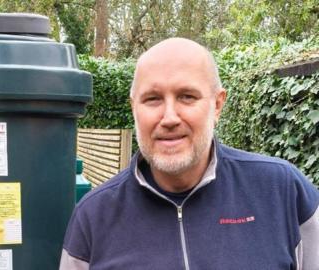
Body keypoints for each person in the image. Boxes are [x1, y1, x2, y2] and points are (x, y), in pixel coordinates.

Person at [60, 38, 319, 269]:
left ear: (217, 105)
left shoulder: (283, 192)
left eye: (186, 96)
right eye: (152, 99)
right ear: (134, 108)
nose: (169, 118)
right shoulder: (93, 218)